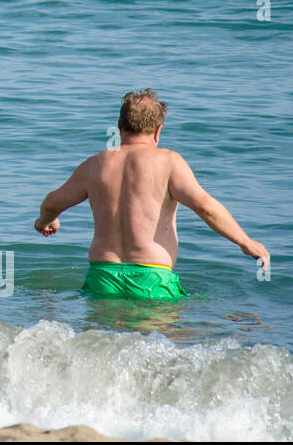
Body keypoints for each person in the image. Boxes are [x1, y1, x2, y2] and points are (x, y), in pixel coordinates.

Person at [35, 89, 269, 299]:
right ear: (158, 131)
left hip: (102, 276)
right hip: (152, 278)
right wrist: (246, 242)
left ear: (119, 129)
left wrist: (48, 221)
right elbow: (206, 208)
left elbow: (51, 204)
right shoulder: (168, 162)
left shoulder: (95, 165)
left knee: (103, 341)